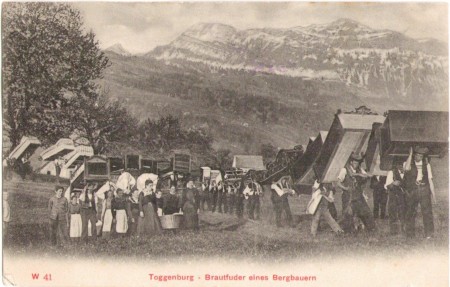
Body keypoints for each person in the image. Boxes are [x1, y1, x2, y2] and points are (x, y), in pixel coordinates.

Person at [336, 153, 375, 233]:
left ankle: (371, 229)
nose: (356, 164)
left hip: (358, 195)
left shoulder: (360, 170)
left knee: (365, 211)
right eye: (354, 162)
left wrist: (367, 176)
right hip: (348, 195)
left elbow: (366, 175)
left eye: (357, 163)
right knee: (347, 213)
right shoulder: (344, 170)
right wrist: (345, 188)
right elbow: (338, 182)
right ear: (351, 162)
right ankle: (346, 231)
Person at [404, 147, 435, 239]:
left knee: (427, 212)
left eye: (421, 155)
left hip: (424, 190)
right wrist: (410, 154)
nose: (419, 157)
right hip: (412, 190)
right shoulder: (408, 163)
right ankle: (410, 235)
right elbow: (406, 169)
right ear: (414, 155)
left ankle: (429, 234)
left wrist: (433, 195)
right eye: (417, 155)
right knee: (410, 212)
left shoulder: (427, 165)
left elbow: (430, 180)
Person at [385, 158, 407, 235]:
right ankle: (394, 231)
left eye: (403, 165)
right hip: (393, 195)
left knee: (403, 212)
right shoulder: (392, 172)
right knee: (393, 212)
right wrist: (393, 183)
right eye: (400, 165)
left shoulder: (408, 173)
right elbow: (387, 185)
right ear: (397, 165)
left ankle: (404, 230)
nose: (401, 167)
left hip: (404, 195)